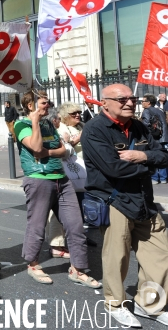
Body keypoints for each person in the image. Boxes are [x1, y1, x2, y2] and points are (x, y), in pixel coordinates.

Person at [82, 84, 168, 327]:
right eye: (122, 99)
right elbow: (113, 168)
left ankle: (148, 304)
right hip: (115, 201)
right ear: (105, 102)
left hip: (145, 202)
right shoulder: (94, 129)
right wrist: (151, 164)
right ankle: (114, 303)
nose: (130, 102)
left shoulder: (139, 126)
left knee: (160, 255)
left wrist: (143, 156)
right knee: (116, 258)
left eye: (133, 98)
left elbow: (163, 155)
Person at [14, 90, 100, 288]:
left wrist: (47, 152)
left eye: (48, 102)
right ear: (30, 106)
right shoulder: (22, 125)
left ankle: (77, 269)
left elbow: (63, 150)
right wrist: (35, 123)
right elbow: (35, 147)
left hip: (62, 179)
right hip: (38, 180)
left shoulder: (49, 124)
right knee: (37, 225)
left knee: (75, 225)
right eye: (44, 102)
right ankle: (33, 264)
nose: (49, 105)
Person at [142, 93, 168, 184]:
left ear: (148, 102)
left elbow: (146, 124)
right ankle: (164, 177)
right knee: (163, 156)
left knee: (154, 156)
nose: (142, 103)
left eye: (143, 101)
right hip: (163, 136)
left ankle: (155, 178)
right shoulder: (159, 110)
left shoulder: (146, 111)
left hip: (154, 137)